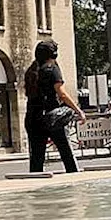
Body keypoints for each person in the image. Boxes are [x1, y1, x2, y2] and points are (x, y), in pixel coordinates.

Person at [25, 40, 86, 174]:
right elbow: (62, 94)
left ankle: (36, 188)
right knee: (66, 153)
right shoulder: (52, 69)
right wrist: (78, 110)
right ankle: (74, 183)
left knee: (36, 157)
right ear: (54, 54)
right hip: (52, 117)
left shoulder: (30, 71)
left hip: (33, 117)